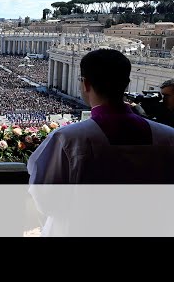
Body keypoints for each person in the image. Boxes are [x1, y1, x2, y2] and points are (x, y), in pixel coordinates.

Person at [27, 49, 174, 236]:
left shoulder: (67, 139)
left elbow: (45, 199)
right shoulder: (169, 137)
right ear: (126, 84)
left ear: (86, 84)